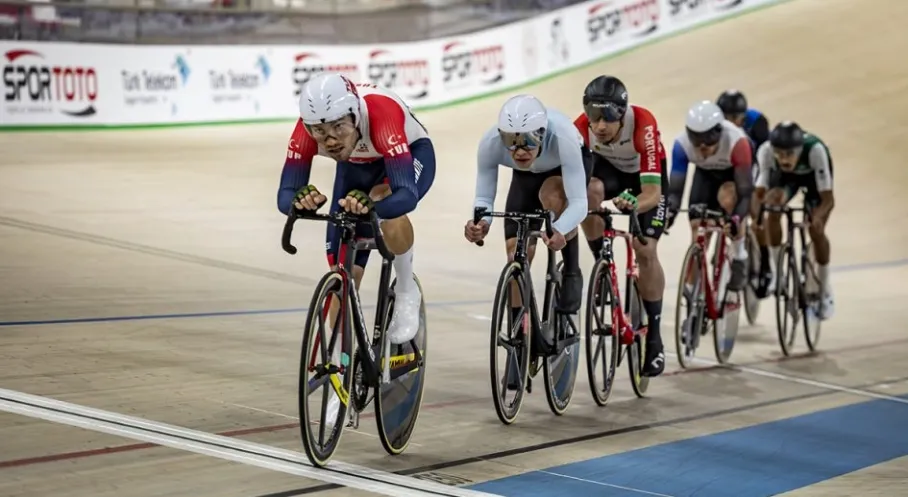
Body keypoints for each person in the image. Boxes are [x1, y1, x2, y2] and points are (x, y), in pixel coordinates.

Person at [277, 73, 436, 346]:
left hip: (408, 154)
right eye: (321, 133)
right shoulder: (307, 130)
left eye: (340, 127)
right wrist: (300, 200)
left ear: (355, 115)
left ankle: (407, 290)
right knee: (343, 278)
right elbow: (285, 195)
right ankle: (341, 363)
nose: (331, 141)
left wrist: (372, 206)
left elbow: (406, 195)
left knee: (382, 198)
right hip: (354, 167)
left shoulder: (381, 115)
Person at [464, 94, 590, 388]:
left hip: (563, 172)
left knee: (554, 200)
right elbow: (484, 198)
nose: (519, 150)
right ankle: (520, 340)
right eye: (511, 141)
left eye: (528, 141)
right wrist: (480, 223)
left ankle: (571, 270)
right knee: (515, 257)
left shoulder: (564, 138)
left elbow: (579, 203)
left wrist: (559, 228)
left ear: (543, 134)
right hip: (525, 178)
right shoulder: (490, 145)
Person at [573, 75, 669, 377]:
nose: (599, 126)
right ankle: (602, 259)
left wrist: (634, 206)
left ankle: (654, 335)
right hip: (610, 174)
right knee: (588, 192)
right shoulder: (581, 128)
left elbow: (652, 194)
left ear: (622, 113)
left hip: (644, 179)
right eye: (594, 117)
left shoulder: (643, 124)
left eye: (608, 118)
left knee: (645, 249)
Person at [666, 101, 754, 291]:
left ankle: (739, 255)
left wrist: (736, 219)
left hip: (733, 176)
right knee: (698, 229)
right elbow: (675, 191)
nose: (703, 146)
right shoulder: (682, 145)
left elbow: (746, 194)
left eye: (708, 140)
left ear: (719, 133)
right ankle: (691, 293)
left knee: (729, 198)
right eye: (697, 141)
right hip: (705, 176)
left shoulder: (737, 142)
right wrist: (668, 215)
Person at [751, 121, 835, 319]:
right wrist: (756, 218)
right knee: (772, 206)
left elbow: (828, 200)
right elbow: (759, 192)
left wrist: (818, 217)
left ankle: (824, 288)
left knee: (816, 230)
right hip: (785, 180)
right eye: (779, 153)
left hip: (814, 180)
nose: (783, 158)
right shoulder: (766, 151)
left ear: (798, 149)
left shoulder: (815, 150)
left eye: (789, 154)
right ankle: (778, 273)